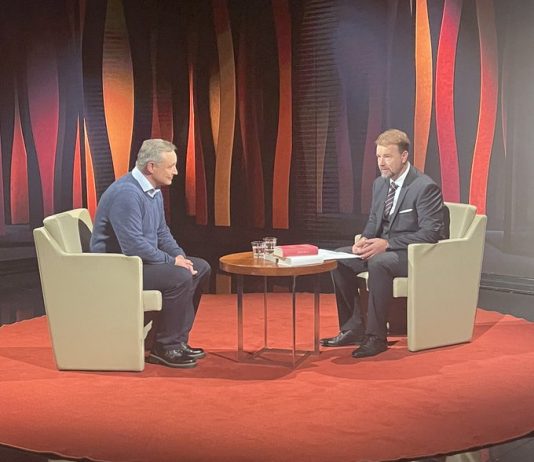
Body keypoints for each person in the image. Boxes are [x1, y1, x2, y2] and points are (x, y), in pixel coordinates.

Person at [321, 129, 448, 358]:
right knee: (339, 258)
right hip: (384, 248)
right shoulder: (380, 184)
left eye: (387, 157)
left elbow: (431, 233)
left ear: (404, 156)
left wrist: (387, 244)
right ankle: (352, 329)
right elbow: (374, 220)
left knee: (379, 263)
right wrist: (364, 239)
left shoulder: (424, 187)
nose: (381, 163)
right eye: (378, 156)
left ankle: (376, 337)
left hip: (412, 253)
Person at [90, 139, 211, 369]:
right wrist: (171, 262)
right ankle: (165, 347)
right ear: (151, 167)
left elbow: (162, 232)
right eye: (171, 166)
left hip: (139, 264)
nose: (176, 172)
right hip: (117, 268)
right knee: (179, 276)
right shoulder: (127, 194)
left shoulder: (153, 190)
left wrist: (180, 257)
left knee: (199, 268)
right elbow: (133, 246)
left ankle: (177, 341)